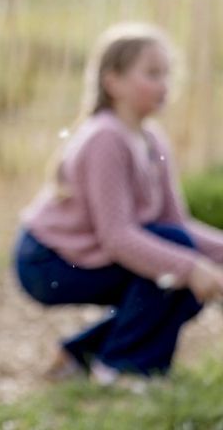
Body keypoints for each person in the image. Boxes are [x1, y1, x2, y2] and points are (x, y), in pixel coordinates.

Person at [13, 21, 223, 385]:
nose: (164, 84)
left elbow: (177, 223)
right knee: (178, 264)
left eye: (167, 73)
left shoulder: (152, 139)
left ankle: (81, 355)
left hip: (91, 253)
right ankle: (123, 369)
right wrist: (193, 267)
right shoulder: (105, 137)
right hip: (47, 262)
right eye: (152, 73)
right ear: (113, 82)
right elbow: (118, 237)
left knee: (183, 264)